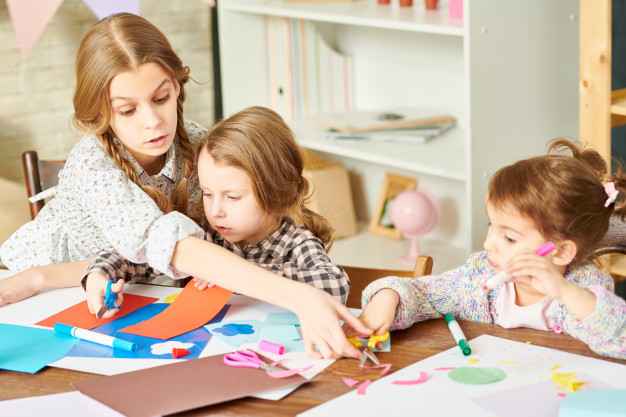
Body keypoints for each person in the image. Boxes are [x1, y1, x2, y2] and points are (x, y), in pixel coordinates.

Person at [0, 13, 368, 358]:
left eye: (161, 98)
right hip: (52, 286)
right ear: (100, 112)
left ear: (177, 86)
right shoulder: (92, 164)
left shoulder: (196, 143)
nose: (153, 121)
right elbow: (171, 247)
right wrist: (298, 296)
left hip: (141, 287)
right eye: (128, 110)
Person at [358, 139, 626, 359]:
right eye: (491, 226)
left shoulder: (585, 288)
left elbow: (619, 340)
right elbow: (423, 293)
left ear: (560, 251)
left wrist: (564, 291)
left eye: (509, 238)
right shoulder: (480, 276)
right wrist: (389, 296)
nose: (488, 244)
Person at [84, 106, 350, 304]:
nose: (215, 211)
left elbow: (335, 286)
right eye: (208, 193)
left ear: (277, 193)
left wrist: (233, 274)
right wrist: (101, 274)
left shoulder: (295, 242)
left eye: (232, 197)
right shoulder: (204, 234)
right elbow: (141, 254)